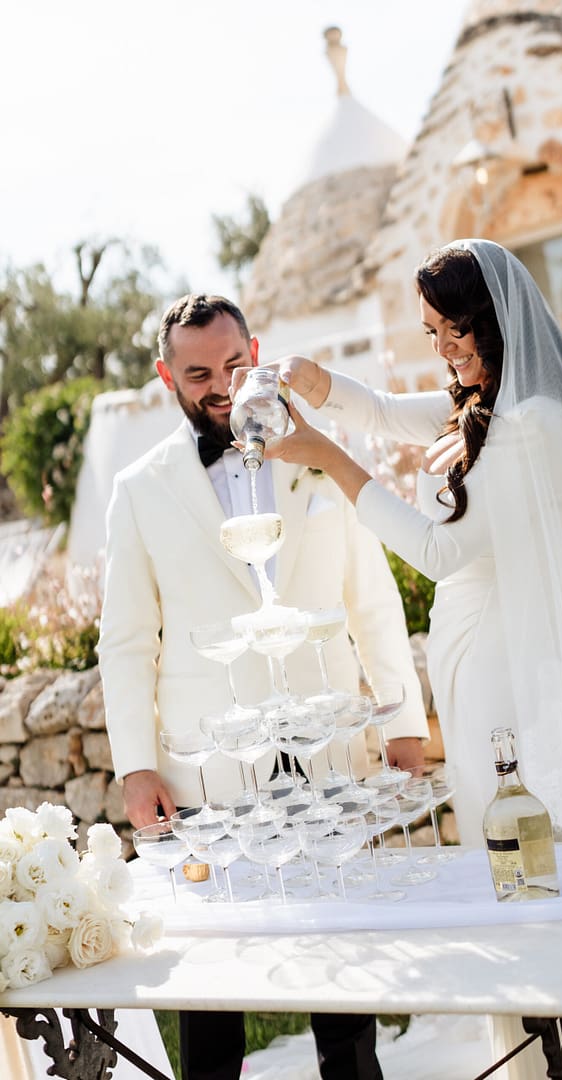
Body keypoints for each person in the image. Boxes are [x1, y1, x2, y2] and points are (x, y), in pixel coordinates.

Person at [264, 238, 562, 1079]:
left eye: (451, 331)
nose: (441, 350)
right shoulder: (497, 400)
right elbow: (402, 413)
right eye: (430, 332)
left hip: (513, 688)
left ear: (491, 322)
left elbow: (441, 554)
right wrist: (327, 391)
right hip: (480, 678)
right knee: (510, 884)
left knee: (547, 885)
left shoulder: (535, 426)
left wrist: (327, 459)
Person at [97, 293, 429, 1080]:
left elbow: (372, 602)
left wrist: (404, 722)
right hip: (208, 776)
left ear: (259, 349)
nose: (220, 385)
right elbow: (126, 641)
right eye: (198, 373)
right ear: (164, 376)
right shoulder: (139, 490)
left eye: (235, 364)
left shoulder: (320, 454)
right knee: (213, 1010)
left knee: (345, 997)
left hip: (329, 761)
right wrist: (135, 765)